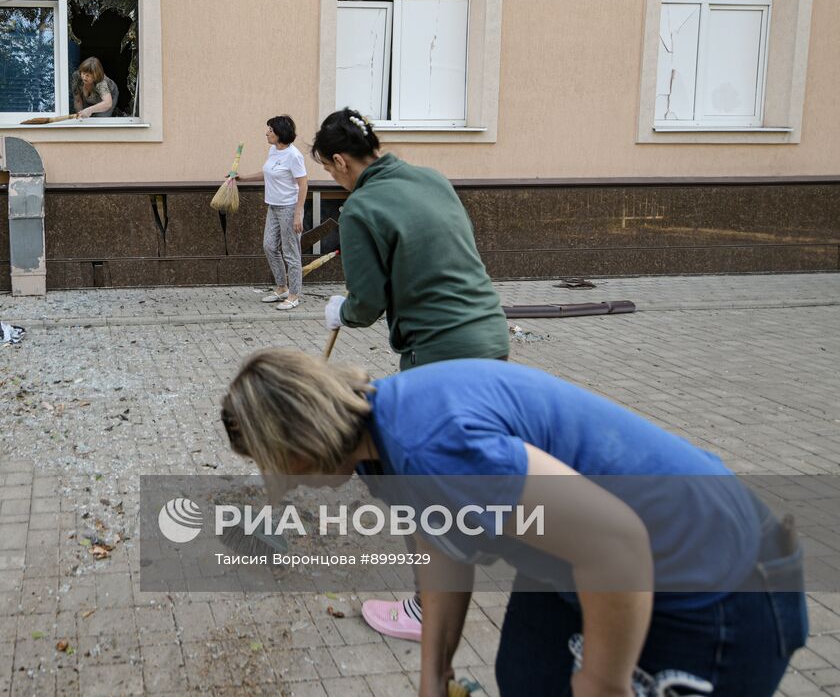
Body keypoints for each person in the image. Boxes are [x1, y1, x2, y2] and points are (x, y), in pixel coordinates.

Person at [222, 349, 808, 697]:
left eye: (274, 462)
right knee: (528, 674)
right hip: (594, 561)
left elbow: (617, 543)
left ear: (304, 438)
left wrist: (602, 685)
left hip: (718, 583)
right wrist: (435, 673)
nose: (283, 480)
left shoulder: (434, 445)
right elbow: (442, 546)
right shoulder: (376, 442)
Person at [311, 107, 509, 640]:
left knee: (419, 481)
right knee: (467, 457)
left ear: (338, 160)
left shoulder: (361, 208)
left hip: (439, 353)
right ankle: (485, 534)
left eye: (330, 171)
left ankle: (427, 609)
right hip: (490, 334)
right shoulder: (432, 178)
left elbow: (369, 301)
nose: (334, 179)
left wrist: (342, 311)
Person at [236, 115, 308, 311]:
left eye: (270, 129)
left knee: (291, 253)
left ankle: (294, 295)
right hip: (273, 206)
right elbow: (267, 173)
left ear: (280, 133)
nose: (266, 133)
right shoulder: (273, 151)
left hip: (289, 207)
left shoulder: (294, 155)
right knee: (269, 246)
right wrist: (244, 178)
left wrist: (298, 214)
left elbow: (303, 185)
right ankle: (282, 288)